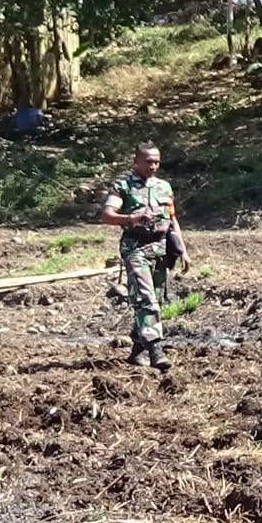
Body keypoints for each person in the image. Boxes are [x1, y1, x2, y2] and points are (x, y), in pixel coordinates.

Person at [101, 142, 189, 370]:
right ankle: (155, 350)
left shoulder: (164, 187)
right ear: (136, 161)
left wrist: (182, 250)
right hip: (135, 249)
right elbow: (108, 215)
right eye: (148, 161)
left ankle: (137, 350)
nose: (153, 166)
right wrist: (131, 218)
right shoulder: (123, 186)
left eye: (157, 161)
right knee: (146, 300)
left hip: (159, 249)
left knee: (156, 300)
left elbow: (172, 219)